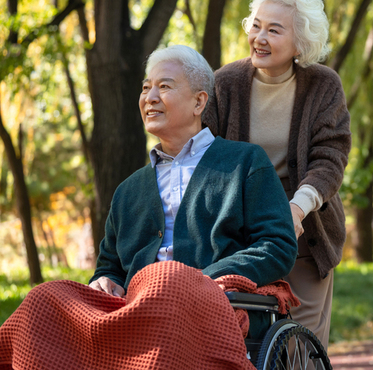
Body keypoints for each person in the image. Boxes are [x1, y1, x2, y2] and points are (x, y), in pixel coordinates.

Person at [0, 45, 297, 370]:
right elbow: (110, 266)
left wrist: (204, 280)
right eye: (145, 88)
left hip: (214, 302)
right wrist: (104, 281)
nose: (150, 97)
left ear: (199, 101)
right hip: (134, 305)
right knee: (44, 300)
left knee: (164, 281)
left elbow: (278, 246)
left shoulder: (244, 163)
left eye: (164, 86)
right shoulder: (128, 190)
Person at [204, 0, 351, 347]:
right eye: (255, 26)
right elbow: (204, 155)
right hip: (241, 231)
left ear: (300, 41)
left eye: (274, 30)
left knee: (299, 343)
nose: (260, 37)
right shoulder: (225, 84)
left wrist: (297, 210)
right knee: (241, 339)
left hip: (304, 225)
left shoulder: (323, 86)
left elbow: (330, 158)